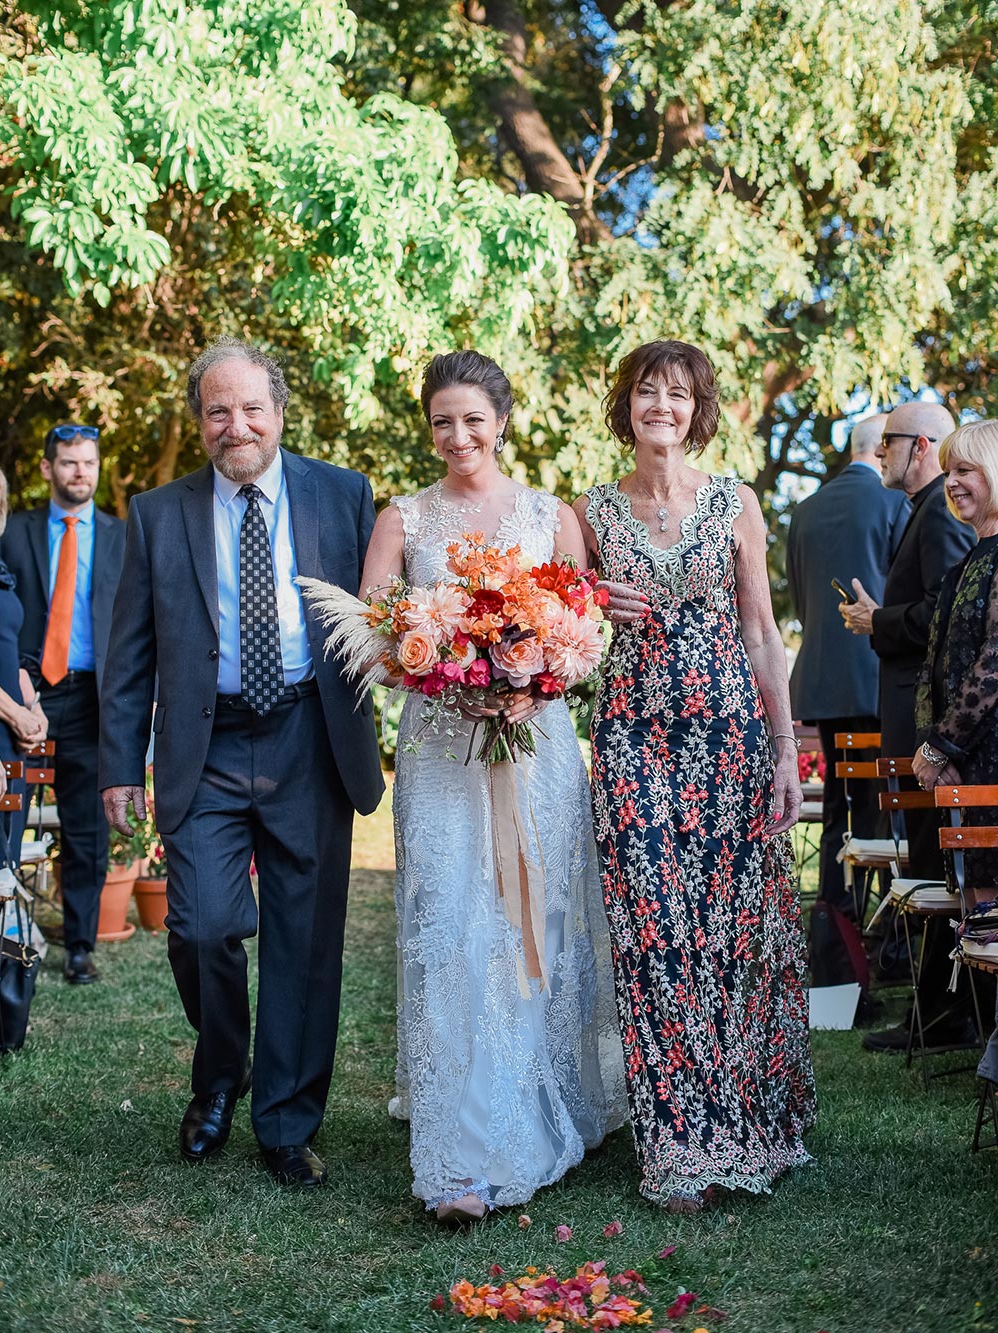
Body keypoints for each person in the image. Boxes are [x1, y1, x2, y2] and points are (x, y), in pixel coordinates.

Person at [98, 337, 384, 1187]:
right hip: (206, 743)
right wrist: (120, 765)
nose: (237, 425)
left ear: (279, 411)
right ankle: (221, 1073)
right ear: (199, 422)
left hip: (311, 738)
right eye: (218, 410)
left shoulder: (343, 495)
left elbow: (388, 616)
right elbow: (129, 654)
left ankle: (287, 1123)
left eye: (251, 407)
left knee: (305, 939)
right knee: (202, 927)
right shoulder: (157, 513)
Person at [358, 350, 622, 1223]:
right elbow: (377, 634)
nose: (458, 435)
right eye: (442, 420)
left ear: (502, 420)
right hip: (440, 753)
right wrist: (440, 668)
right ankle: (463, 1154)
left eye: (473, 418)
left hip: (536, 749)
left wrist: (538, 676)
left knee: (528, 923)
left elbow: (586, 640)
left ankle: (542, 1101)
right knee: (452, 925)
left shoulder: (555, 516)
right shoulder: (404, 518)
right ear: (428, 426)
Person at [575, 339, 815, 1212]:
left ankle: (740, 1115)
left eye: (678, 394)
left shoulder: (735, 501)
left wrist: (785, 749)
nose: (662, 407)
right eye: (647, 392)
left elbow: (761, 630)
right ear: (626, 406)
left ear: (698, 408)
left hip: (728, 735)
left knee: (722, 932)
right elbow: (559, 632)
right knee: (653, 933)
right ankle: (679, 1139)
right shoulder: (590, 510)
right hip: (633, 736)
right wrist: (594, 599)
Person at [840, 401, 977, 1051]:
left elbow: (947, 623)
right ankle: (934, 1010)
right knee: (926, 856)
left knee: (937, 859)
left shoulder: (941, 514)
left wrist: (880, 621)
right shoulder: (918, 511)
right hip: (914, 714)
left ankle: (946, 1014)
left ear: (919, 444)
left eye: (888, 441)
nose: (880, 453)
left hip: (934, 721)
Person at [2, 426, 125, 983]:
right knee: (8, 812)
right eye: (70, 463)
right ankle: (6, 937)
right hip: (21, 690)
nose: (81, 472)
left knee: (84, 829)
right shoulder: (15, 530)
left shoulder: (123, 537)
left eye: (90, 463)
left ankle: (78, 946)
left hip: (92, 696)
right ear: (48, 468)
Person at [786, 414, 909, 913]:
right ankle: (883, 917)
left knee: (839, 794)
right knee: (885, 799)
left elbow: (798, 600)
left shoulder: (806, 510)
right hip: (878, 676)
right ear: (880, 449)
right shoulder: (895, 502)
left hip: (820, 678)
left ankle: (835, 910)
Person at [909, 420, 998, 1057]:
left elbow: (994, 663)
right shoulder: (970, 559)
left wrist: (943, 745)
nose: (953, 483)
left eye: (966, 470)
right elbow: (936, 666)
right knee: (978, 910)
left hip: (990, 758)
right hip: (964, 763)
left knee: (991, 909)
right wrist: (931, 748)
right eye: (950, 470)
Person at [0, 467, 47, 862]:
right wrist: (14, 713)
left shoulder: (1, 571)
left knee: (4, 876)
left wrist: (32, 705)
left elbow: (7, 652)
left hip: (11, 742)